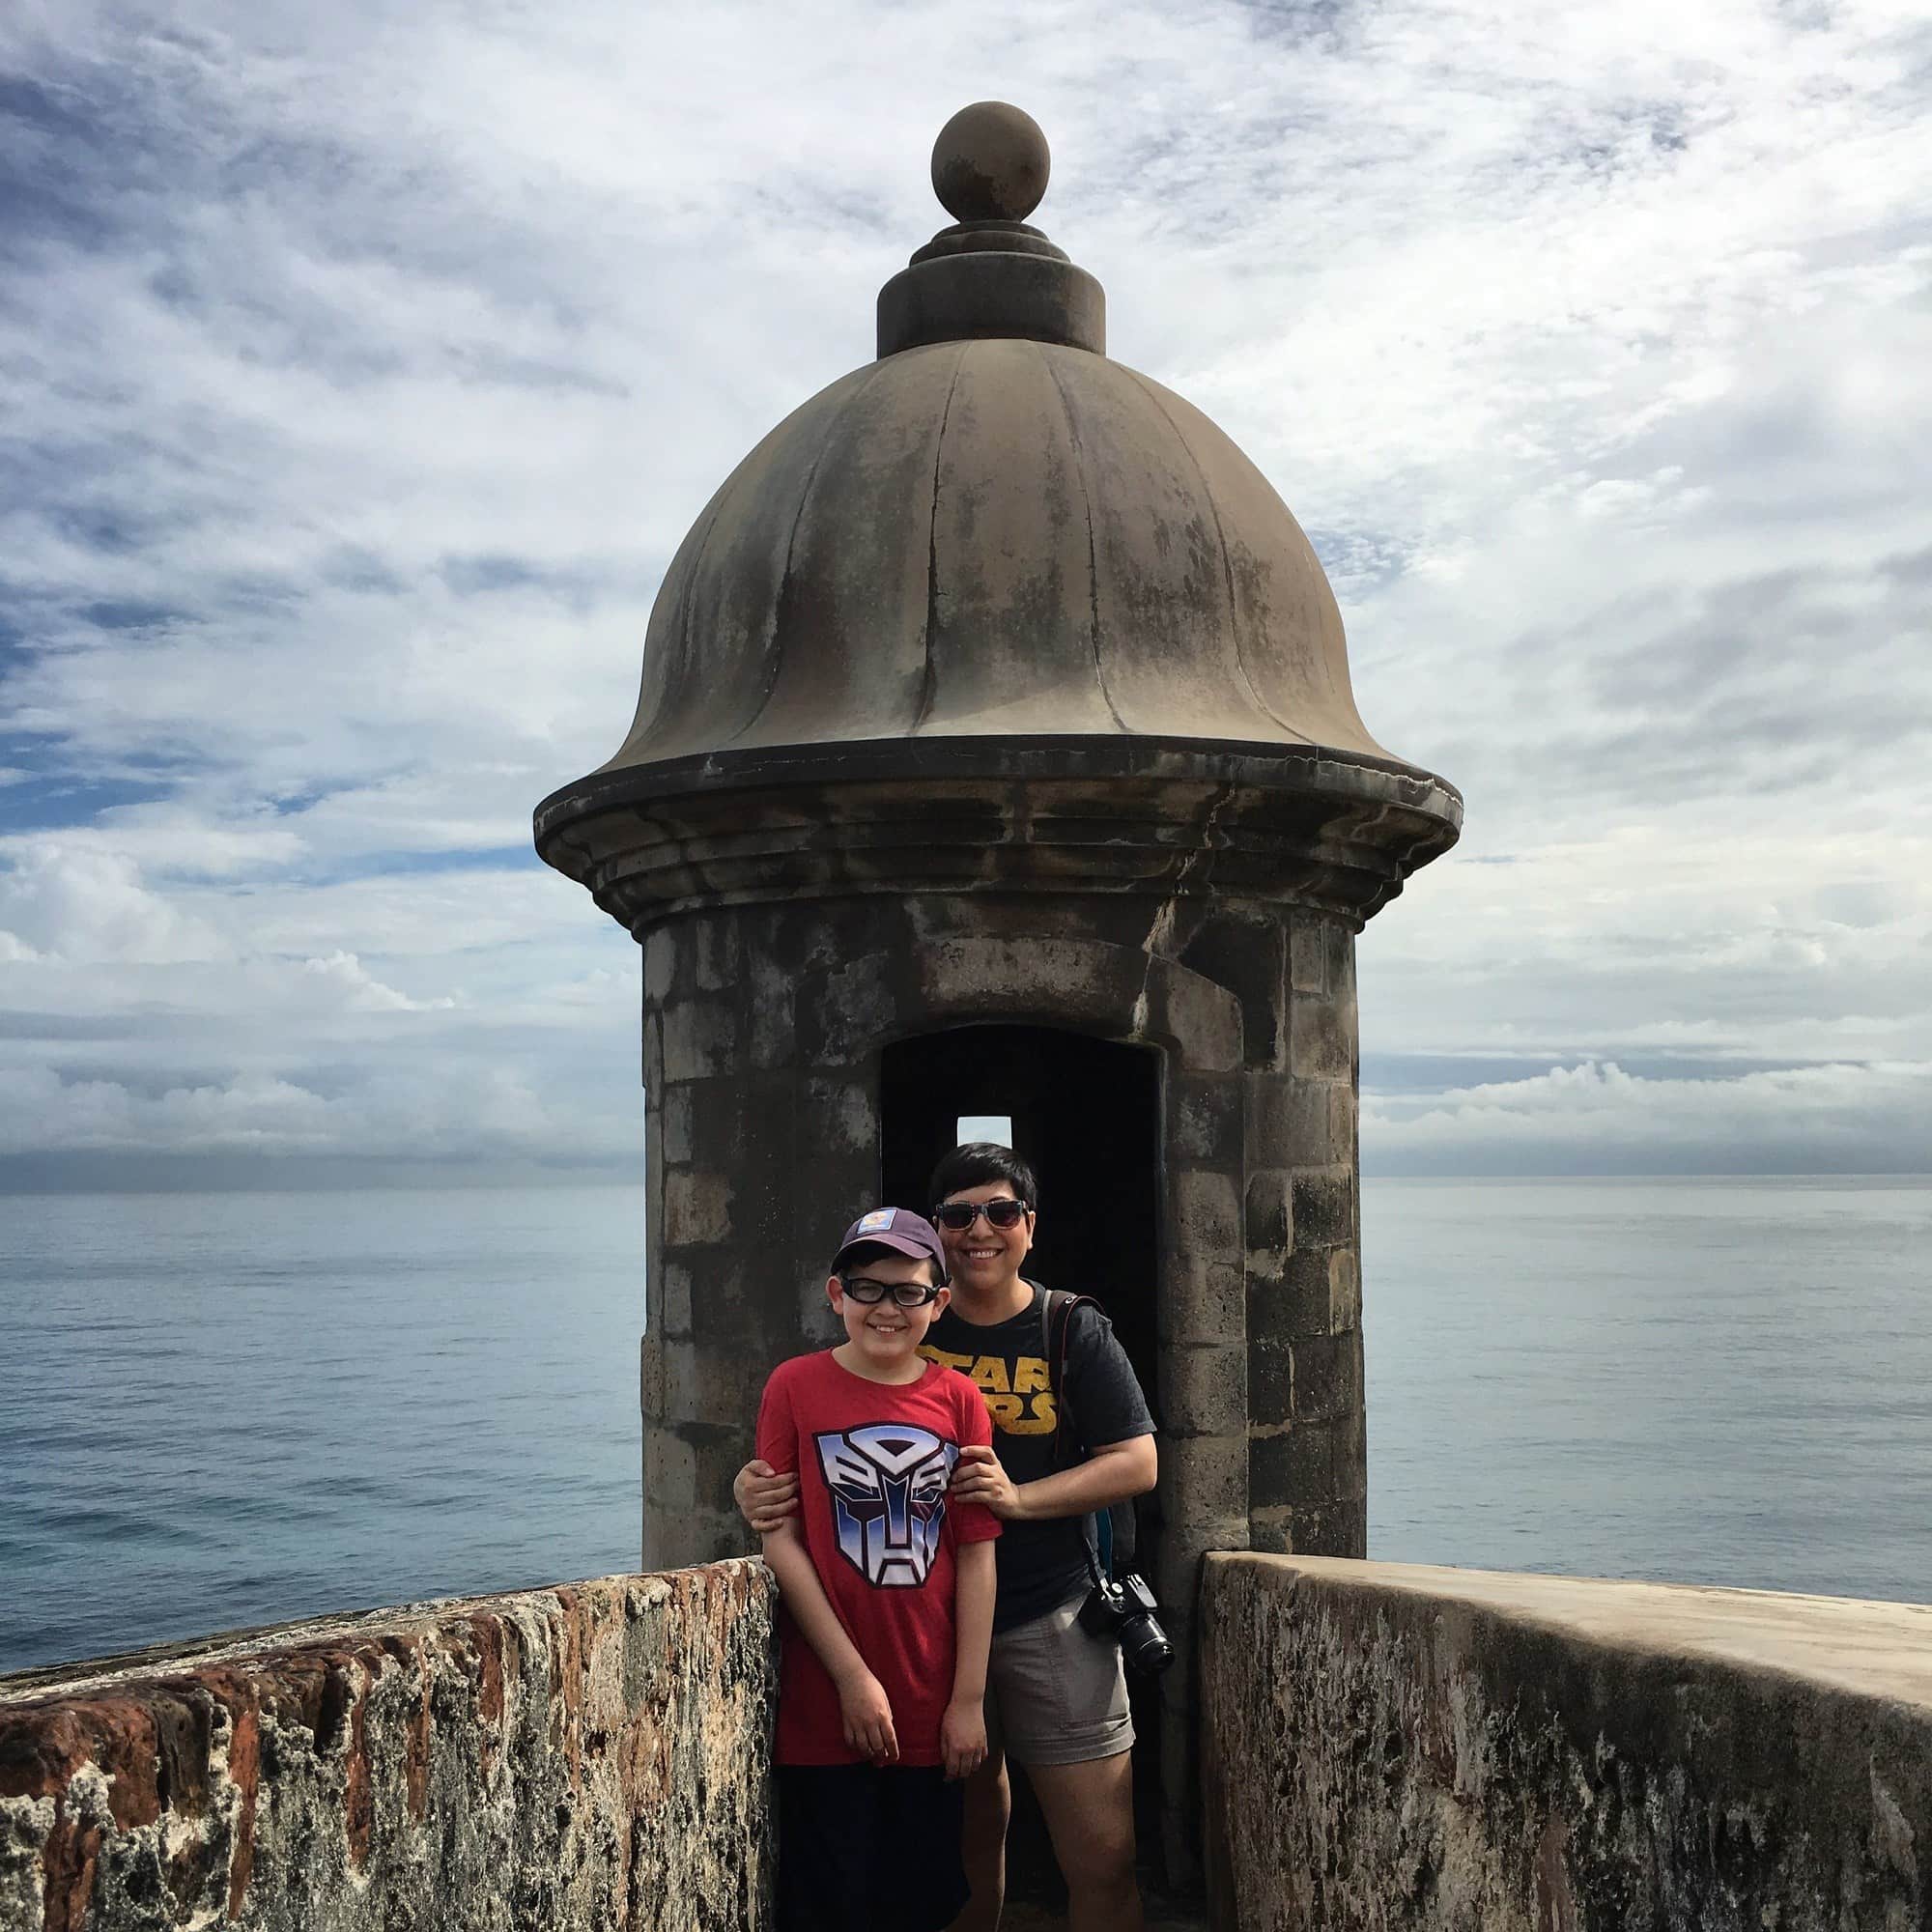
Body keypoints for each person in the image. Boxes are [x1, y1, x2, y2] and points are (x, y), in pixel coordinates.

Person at [739, 1148, 1156, 1932]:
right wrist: (752, 1486)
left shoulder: (1068, 1326)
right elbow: (816, 1430)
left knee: (1101, 1853)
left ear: (1029, 1226)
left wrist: (1018, 1499)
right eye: (960, 1215)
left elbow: (1139, 1462)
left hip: (1045, 1609)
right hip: (922, 1637)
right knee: (964, 1843)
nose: (981, 1230)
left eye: (1001, 1212)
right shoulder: (895, 1326)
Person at [754, 1206, 1002, 1932]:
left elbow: (976, 1553)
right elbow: (781, 1540)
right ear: (836, 1295)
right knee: (833, 1900)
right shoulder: (793, 1387)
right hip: (822, 1710)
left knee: (922, 1901)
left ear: (939, 1303)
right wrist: (852, 1678)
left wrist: (968, 1700)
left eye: (908, 1291)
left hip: (931, 1707)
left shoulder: (960, 1400)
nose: (886, 1308)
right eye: (867, 1288)